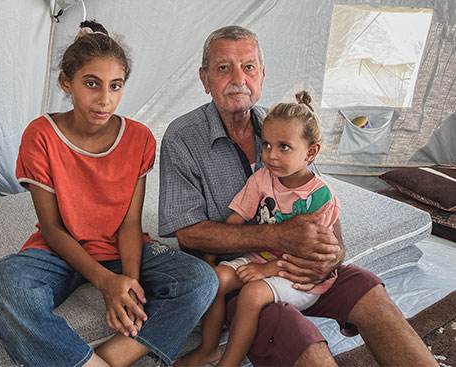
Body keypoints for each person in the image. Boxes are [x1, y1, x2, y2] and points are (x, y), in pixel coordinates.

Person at [159, 25, 437, 366]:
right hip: (243, 276)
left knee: (368, 290)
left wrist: (333, 253)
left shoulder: (281, 125)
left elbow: (320, 200)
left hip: (298, 269)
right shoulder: (182, 137)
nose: (238, 78)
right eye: (223, 67)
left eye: (248, 67)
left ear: (261, 74)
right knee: (293, 330)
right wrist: (278, 236)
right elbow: (188, 233)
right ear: (205, 79)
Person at [0, 20, 218, 367]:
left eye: (115, 86)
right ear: (66, 83)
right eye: (92, 84)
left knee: (200, 280)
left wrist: (127, 283)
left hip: (122, 248)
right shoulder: (41, 136)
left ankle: (112, 358)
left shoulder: (139, 139)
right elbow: (54, 229)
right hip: (59, 250)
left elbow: (130, 222)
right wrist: (105, 283)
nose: (105, 99)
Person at [177, 91, 341, 367]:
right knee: (217, 279)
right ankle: (209, 348)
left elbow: (315, 255)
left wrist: (269, 270)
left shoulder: (320, 198)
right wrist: (211, 254)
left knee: (253, 294)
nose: (271, 156)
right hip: (262, 257)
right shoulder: (262, 178)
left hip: (300, 274)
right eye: (266, 145)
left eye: (284, 147)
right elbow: (236, 219)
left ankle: (228, 363)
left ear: (310, 152)